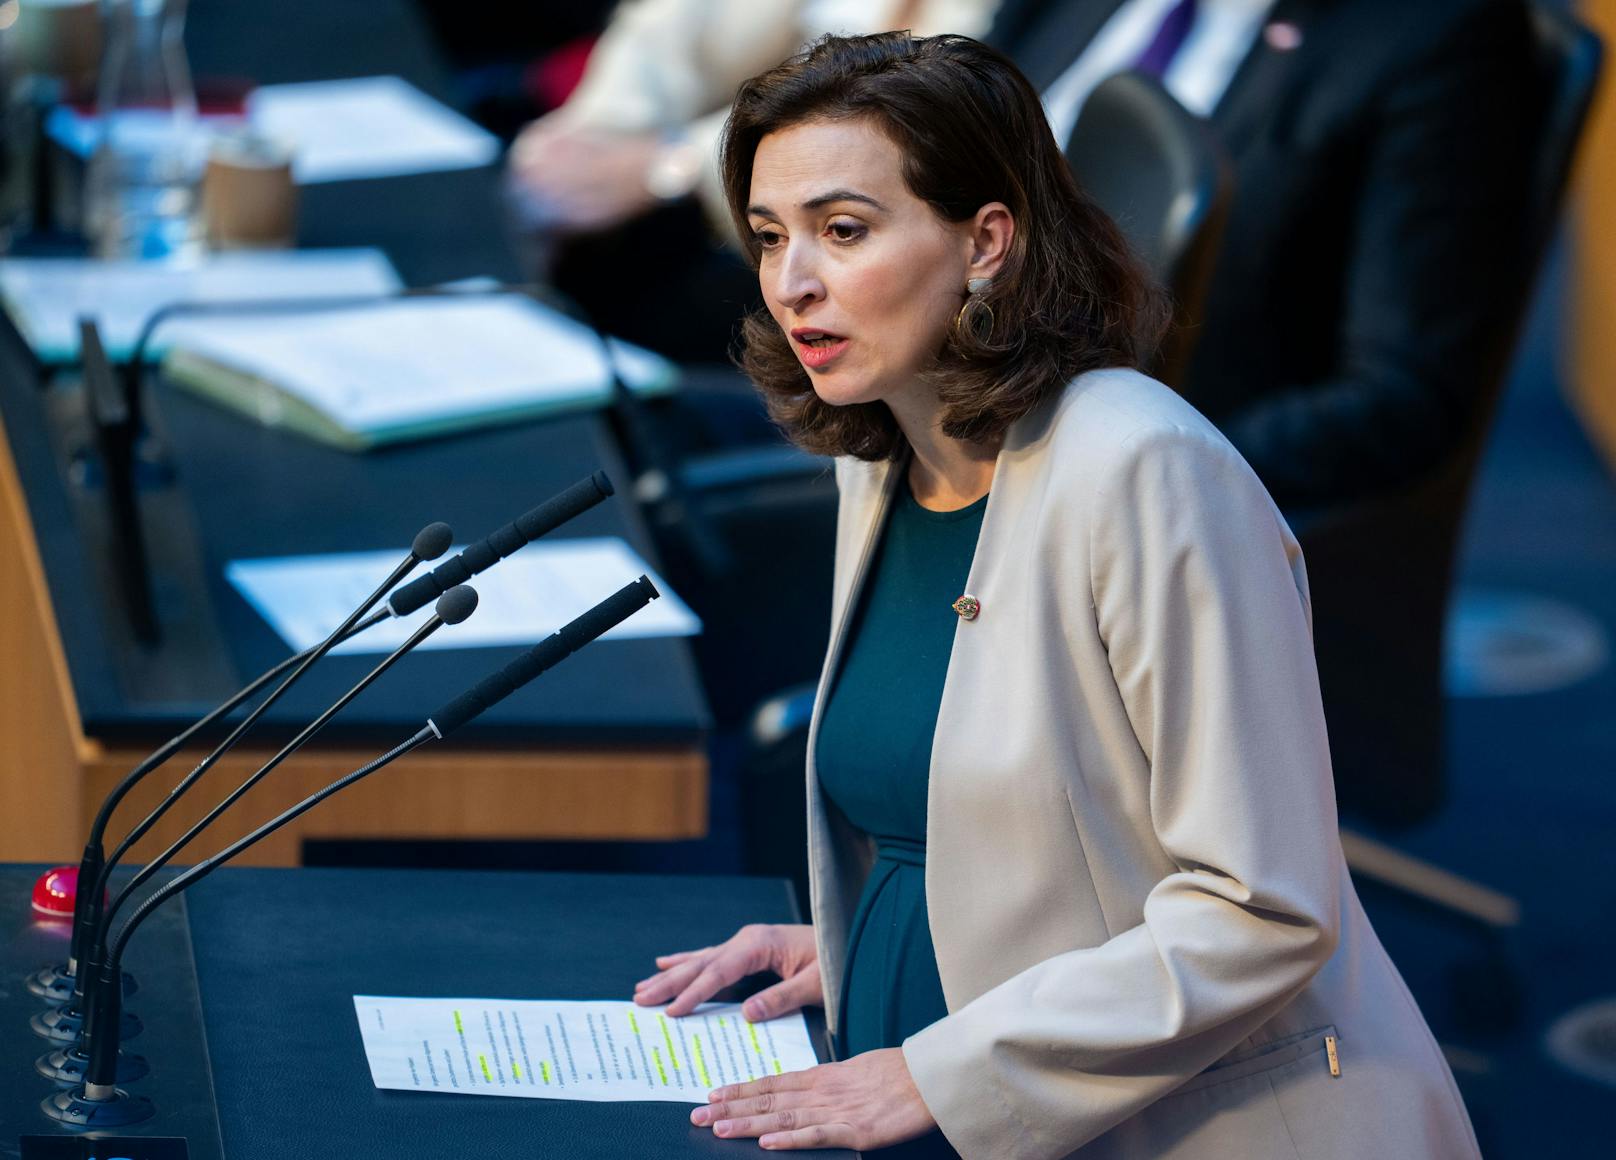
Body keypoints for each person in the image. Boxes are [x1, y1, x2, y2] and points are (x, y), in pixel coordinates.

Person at [629, 31, 1480, 1159]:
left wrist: (931, 1069)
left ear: (985, 241)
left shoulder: (1146, 473)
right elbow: (1021, 822)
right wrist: (860, 939)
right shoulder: (883, 446)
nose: (792, 283)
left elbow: (1260, 908)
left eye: (843, 231)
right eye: (770, 236)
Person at [504, 0, 1001, 360]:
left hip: (848, 268)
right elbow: (683, 29)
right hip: (743, 205)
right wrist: (590, 141)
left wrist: (667, 167)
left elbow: (907, 126)